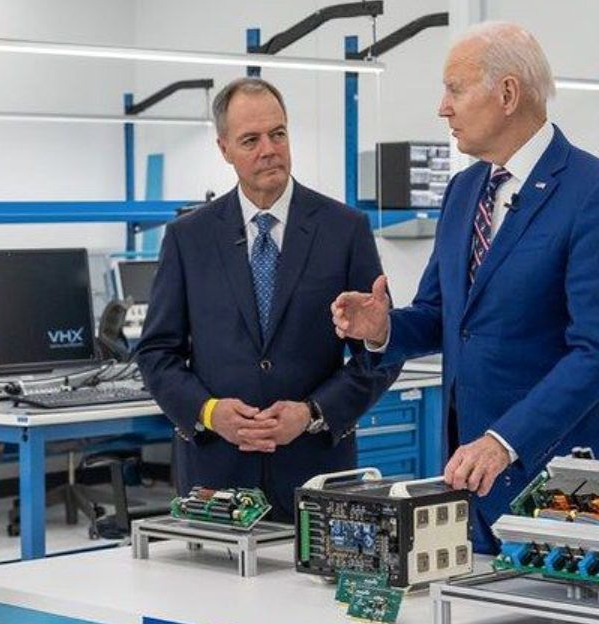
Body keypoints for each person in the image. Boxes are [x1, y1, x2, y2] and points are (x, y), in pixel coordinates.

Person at [331, 22, 599, 553]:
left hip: (564, 478)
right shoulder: (464, 189)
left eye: (455, 89)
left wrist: (503, 441)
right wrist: (383, 329)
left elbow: (598, 353)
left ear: (508, 94)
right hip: (473, 476)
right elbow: (443, 314)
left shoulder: (596, 193)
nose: (442, 108)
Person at [136, 77, 401, 522]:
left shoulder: (344, 230)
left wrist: (313, 413)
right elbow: (156, 353)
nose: (269, 150)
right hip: (216, 476)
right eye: (251, 140)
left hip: (316, 474)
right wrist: (209, 412)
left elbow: (381, 354)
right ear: (224, 148)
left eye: (278, 134)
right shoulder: (188, 238)